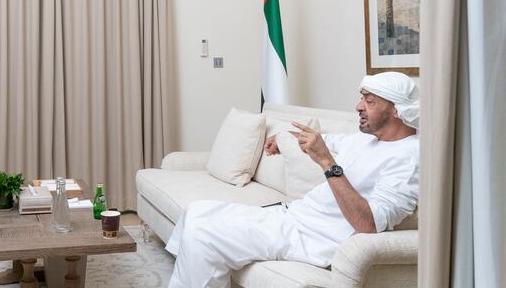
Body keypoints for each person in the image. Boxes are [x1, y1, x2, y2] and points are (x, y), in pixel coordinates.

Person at [166, 72, 420, 288]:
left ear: (396, 110)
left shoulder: (409, 158)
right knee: (195, 211)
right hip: (292, 217)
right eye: (361, 98)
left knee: (204, 233)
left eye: (369, 101)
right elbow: (326, 141)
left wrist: (327, 164)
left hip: (312, 239)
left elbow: (370, 223)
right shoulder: (367, 138)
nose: (358, 106)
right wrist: (284, 137)